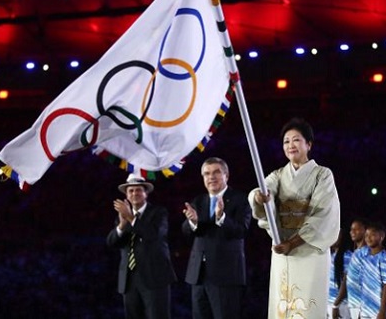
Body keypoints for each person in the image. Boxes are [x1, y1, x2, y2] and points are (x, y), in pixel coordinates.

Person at [249, 117, 341, 319]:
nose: (290, 145)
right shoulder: (278, 175)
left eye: (296, 140)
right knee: (283, 302)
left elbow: (323, 215)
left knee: (307, 303)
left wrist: (293, 242)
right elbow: (264, 191)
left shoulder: (322, 174)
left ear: (308, 144)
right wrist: (259, 196)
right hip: (282, 248)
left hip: (309, 248)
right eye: (286, 141)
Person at [182, 157, 252, 319]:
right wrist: (192, 222)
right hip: (198, 275)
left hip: (226, 276)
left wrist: (222, 217)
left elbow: (241, 230)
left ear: (226, 175)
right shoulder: (198, 201)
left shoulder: (240, 199)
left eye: (216, 172)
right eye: (206, 174)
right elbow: (186, 232)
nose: (211, 177)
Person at [106, 173, 177, 319]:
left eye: (138, 190)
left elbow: (153, 235)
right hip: (129, 280)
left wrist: (130, 219)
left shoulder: (158, 212)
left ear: (146, 193)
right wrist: (122, 225)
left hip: (154, 278)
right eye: (131, 191)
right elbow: (112, 242)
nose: (134, 193)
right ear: (126, 194)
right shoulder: (123, 218)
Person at [338, 218, 370, 319]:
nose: (352, 232)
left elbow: (368, 282)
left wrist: (363, 308)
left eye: (356, 229)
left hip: (362, 305)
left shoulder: (367, 253)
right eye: (351, 229)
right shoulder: (355, 253)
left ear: (365, 230)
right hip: (353, 303)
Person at [359, 221, 386, 319]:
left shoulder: (384, 259)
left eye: (372, 235)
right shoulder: (365, 258)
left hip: (378, 311)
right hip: (365, 310)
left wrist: (382, 311)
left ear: (381, 236)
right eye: (366, 235)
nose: (368, 238)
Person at [328, 228, 353, 319]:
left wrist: (336, 305)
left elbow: (346, 282)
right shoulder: (331, 255)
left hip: (341, 305)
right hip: (330, 303)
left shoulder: (347, 256)